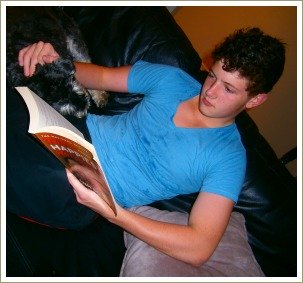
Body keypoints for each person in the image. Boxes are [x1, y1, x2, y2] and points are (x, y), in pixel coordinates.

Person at [18, 27, 285, 266]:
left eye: (229, 89)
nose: (210, 91)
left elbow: (199, 246)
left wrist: (113, 213)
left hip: (90, 190)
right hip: (71, 131)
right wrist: (56, 61)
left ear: (255, 100)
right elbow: (100, 76)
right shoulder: (173, 80)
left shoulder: (229, 157)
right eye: (212, 75)